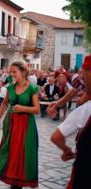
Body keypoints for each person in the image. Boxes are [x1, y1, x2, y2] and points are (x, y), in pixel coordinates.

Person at [0, 62, 40, 189]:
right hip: (11, 124)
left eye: (14, 72)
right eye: (11, 72)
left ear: (23, 72)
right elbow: (4, 103)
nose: (12, 74)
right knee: (10, 151)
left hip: (26, 126)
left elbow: (37, 109)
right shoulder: (10, 88)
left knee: (23, 153)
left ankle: (19, 181)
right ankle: (13, 179)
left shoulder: (32, 88)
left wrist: (23, 108)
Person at [51, 55, 91, 189]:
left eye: (82, 71)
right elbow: (74, 90)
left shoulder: (85, 110)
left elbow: (56, 137)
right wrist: (57, 104)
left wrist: (68, 151)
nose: (80, 74)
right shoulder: (79, 82)